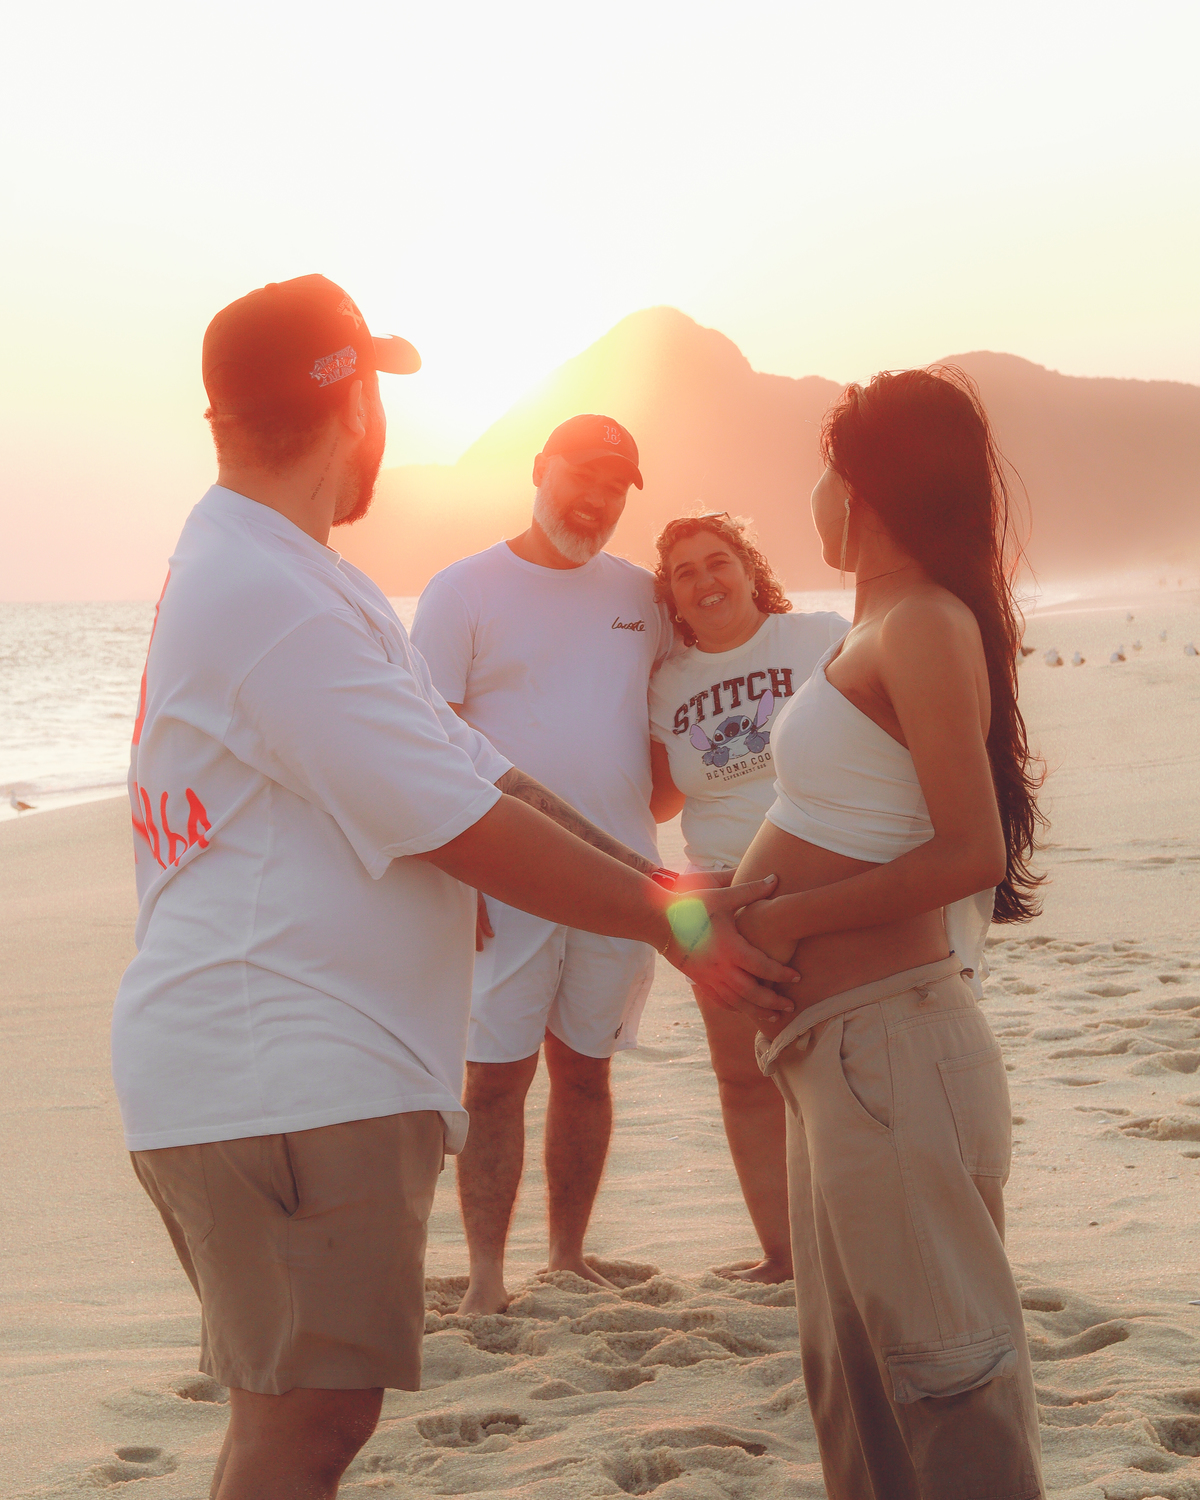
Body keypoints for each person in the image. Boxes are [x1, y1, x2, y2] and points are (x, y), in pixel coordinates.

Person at [112, 277, 796, 1500]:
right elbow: (461, 824)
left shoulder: (294, 574)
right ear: (357, 405)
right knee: (308, 1421)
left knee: (304, 1415)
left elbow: (486, 771)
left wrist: (663, 886)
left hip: (288, 1064)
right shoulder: (275, 596)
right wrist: (679, 921)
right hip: (279, 1065)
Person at [728, 367, 1047, 1498]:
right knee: (855, 1392)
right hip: (837, 1058)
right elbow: (837, 818)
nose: (814, 492)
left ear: (865, 489)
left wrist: (788, 917)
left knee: (946, 1389)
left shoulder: (921, 623)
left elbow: (970, 851)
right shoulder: (876, 624)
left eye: (830, 468)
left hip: (892, 1049)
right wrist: (724, 913)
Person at [411, 414, 677, 1316]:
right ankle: (485, 1278)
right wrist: (461, 870)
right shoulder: (461, 591)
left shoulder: (644, 596)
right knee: (495, 1078)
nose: (596, 499)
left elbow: (679, 715)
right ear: (540, 468)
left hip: (622, 877)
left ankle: (566, 1257)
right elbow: (425, 743)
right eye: (582, 476)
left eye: (615, 486)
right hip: (506, 881)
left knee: (586, 1069)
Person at [648, 511, 847, 1283]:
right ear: (672, 598)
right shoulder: (667, 683)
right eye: (685, 573)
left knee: (830, 1066)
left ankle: (849, 1236)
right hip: (711, 892)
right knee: (742, 1079)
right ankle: (784, 1254)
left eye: (718, 561)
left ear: (749, 568)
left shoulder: (815, 638)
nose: (705, 581)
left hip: (813, 875)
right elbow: (664, 800)